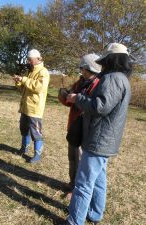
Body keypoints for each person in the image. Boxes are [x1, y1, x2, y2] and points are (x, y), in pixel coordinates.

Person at [65, 43, 133, 225]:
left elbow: (99, 107)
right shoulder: (123, 79)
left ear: (112, 60)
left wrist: (77, 98)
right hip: (107, 141)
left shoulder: (112, 78)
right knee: (99, 179)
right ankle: (95, 214)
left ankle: (74, 221)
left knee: (83, 183)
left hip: (98, 140)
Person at [58, 54, 101, 199]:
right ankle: (72, 183)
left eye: (83, 68)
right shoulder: (80, 82)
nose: (81, 70)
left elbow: (95, 106)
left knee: (82, 161)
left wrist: (78, 99)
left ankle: (76, 189)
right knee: (73, 157)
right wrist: (64, 96)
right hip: (74, 125)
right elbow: (69, 102)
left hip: (87, 128)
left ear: (88, 68)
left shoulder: (99, 84)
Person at [13, 49, 50, 163]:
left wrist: (24, 79)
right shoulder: (30, 71)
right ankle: (24, 149)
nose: (28, 62)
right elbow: (25, 88)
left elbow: (39, 88)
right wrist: (19, 81)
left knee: (36, 132)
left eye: (30, 60)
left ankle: (37, 154)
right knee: (24, 129)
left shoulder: (43, 72)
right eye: (28, 59)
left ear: (38, 59)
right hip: (25, 107)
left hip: (35, 109)